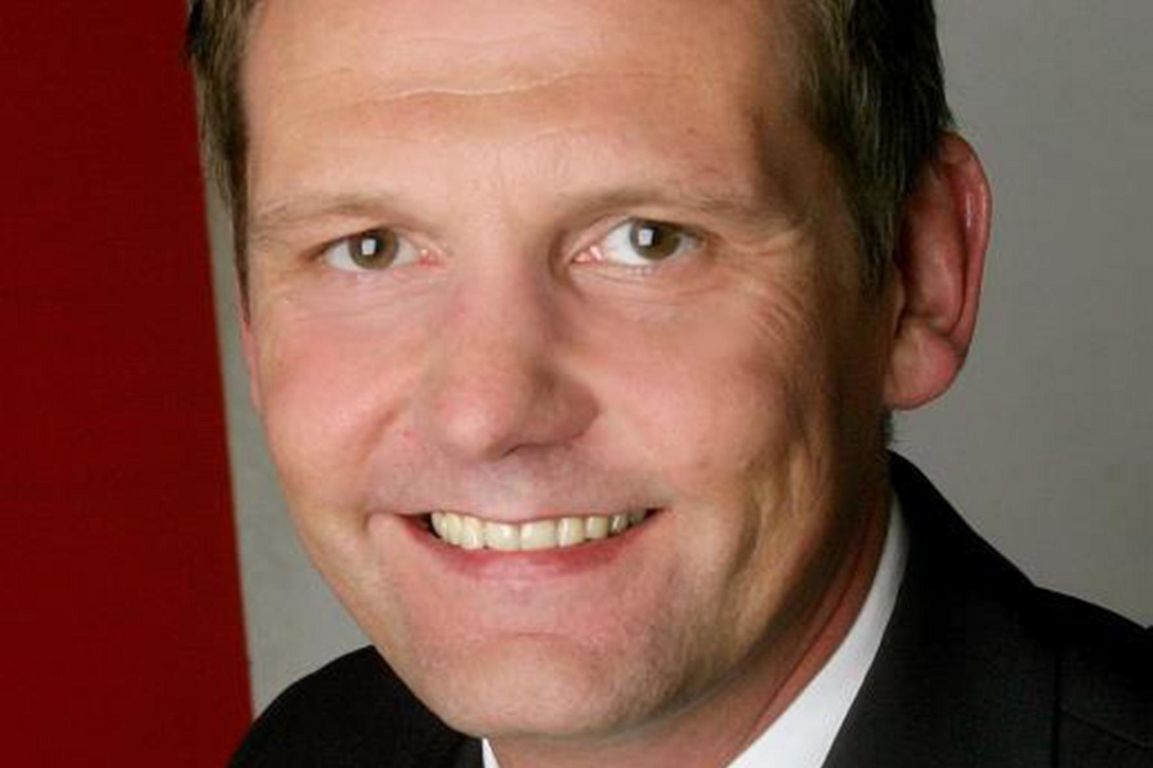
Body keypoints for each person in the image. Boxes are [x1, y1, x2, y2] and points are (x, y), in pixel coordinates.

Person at [187, 0, 1150, 765]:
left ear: (918, 272)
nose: (485, 414)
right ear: (250, 315)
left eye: (648, 240)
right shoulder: (316, 746)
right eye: (369, 248)